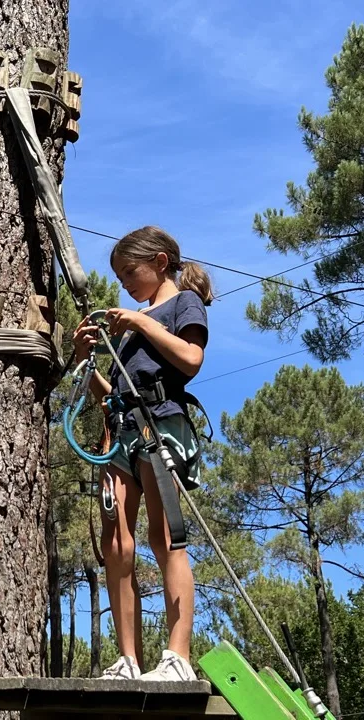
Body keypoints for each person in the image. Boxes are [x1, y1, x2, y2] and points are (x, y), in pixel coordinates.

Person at [72, 226, 213, 682]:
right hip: (121, 434)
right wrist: (86, 362)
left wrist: (141, 323)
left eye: (129, 272)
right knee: (116, 544)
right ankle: (127, 659)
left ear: (160, 263)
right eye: (120, 277)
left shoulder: (182, 303)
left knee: (164, 537)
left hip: (161, 425)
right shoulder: (130, 327)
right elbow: (111, 397)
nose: (125, 284)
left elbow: (190, 359)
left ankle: (178, 657)